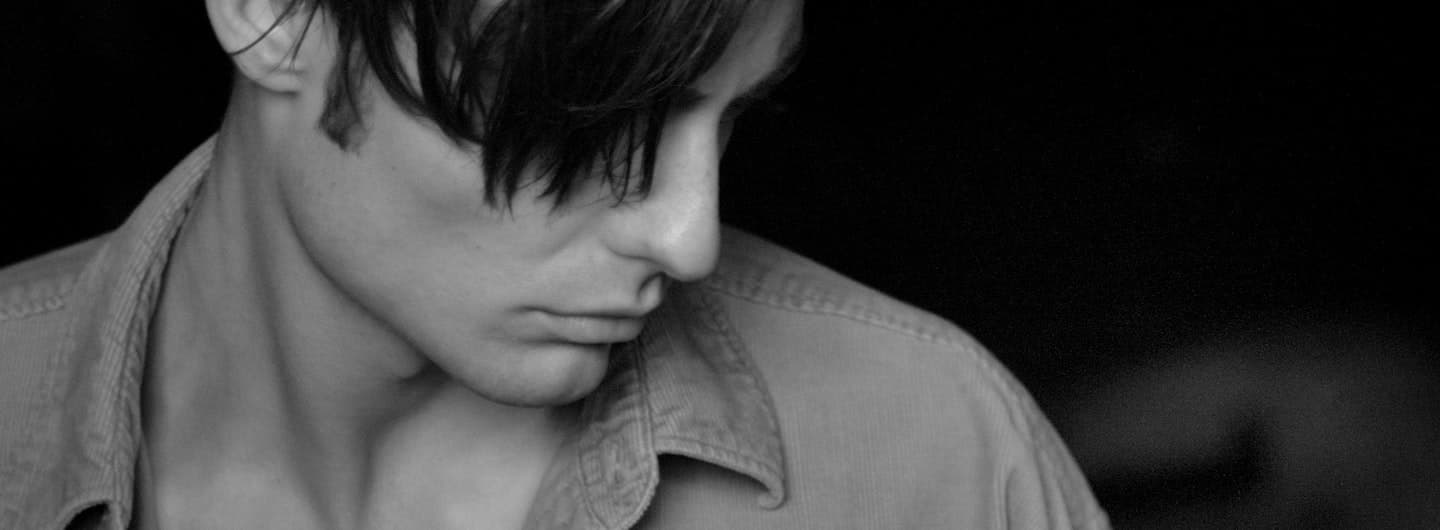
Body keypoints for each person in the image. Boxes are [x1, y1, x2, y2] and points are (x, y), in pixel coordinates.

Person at [0, 0, 1108, 528]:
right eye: (594, 124)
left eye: (731, 118)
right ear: (274, 15)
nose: (688, 236)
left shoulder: (937, 460)